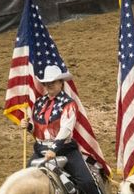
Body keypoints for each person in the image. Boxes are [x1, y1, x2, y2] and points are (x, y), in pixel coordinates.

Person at [25, 65, 101, 194]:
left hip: (65, 150)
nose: (49, 85)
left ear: (61, 83)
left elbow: (66, 129)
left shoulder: (68, 103)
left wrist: (54, 149)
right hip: (41, 150)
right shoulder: (39, 103)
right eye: (46, 83)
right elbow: (40, 130)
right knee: (24, 180)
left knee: (86, 182)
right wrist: (29, 127)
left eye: (52, 82)